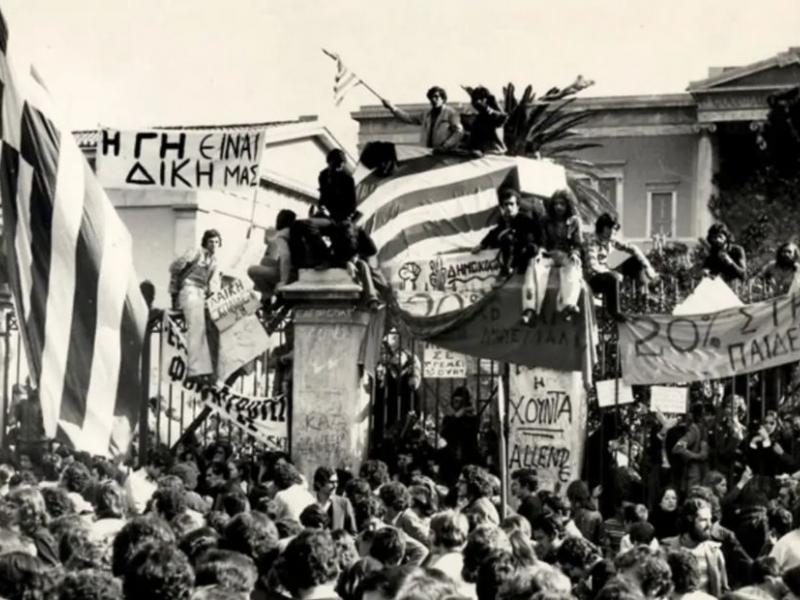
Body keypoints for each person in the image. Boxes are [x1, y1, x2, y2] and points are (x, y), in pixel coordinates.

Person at [522, 189, 584, 324]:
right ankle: (530, 309)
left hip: (566, 256)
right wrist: (541, 252)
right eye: (556, 204)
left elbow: (578, 244)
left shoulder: (574, 221)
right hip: (549, 255)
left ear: (568, 205)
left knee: (573, 268)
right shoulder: (545, 220)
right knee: (533, 266)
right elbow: (542, 242)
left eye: (562, 204)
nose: (558, 207)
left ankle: (569, 306)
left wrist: (574, 253)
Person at [168, 229, 222, 380]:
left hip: (202, 294)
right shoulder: (195, 253)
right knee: (196, 327)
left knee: (206, 328)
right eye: (211, 241)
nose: (214, 245)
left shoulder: (214, 261)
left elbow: (213, 285)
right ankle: (195, 369)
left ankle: (205, 369)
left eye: (217, 242)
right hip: (189, 289)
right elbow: (174, 268)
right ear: (205, 241)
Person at [585, 212, 658, 319]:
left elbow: (632, 248)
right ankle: (614, 312)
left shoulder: (611, 239)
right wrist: (611, 272)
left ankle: (642, 296)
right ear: (602, 227)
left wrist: (648, 267)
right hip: (592, 279)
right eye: (608, 228)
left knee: (634, 261)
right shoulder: (591, 241)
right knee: (612, 278)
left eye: (613, 229)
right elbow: (593, 266)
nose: (611, 232)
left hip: (607, 273)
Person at [662, 498, 728, 597]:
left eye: (710, 519)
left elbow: (723, 589)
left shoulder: (714, 551)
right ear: (689, 519)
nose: (709, 525)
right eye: (703, 520)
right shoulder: (667, 549)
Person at [472, 188, 544, 277]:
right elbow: (493, 233)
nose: (509, 207)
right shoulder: (504, 221)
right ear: (502, 206)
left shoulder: (526, 220)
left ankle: (507, 270)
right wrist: (481, 245)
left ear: (517, 206)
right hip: (513, 258)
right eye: (506, 204)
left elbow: (538, 235)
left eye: (511, 204)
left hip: (526, 255)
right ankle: (506, 270)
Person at [381, 86, 464, 152]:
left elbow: (459, 132)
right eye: (431, 97)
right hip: (428, 153)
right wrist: (392, 107)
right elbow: (408, 118)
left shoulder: (451, 113)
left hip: (445, 154)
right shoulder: (426, 114)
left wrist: (445, 146)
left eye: (436, 97)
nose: (433, 99)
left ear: (443, 99)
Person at [247, 209, 297, 306]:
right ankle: (266, 297)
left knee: (251, 270)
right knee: (265, 261)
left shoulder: (283, 235)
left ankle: (267, 295)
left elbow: (285, 257)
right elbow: (271, 240)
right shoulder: (292, 233)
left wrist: (283, 281)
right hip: (293, 272)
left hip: (288, 274)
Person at [313, 466, 357, 534]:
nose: (335, 485)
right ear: (318, 484)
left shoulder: (344, 503)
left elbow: (353, 532)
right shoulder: (310, 501)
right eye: (331, 482)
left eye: (336, 482)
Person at [466, 86, 507, 156]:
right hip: (481, 152)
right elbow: (473, 138)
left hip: (494, 151)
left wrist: (486, 108)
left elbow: (502, 117)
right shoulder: (479, 118)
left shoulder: (492, 114)